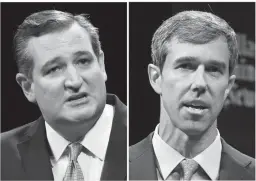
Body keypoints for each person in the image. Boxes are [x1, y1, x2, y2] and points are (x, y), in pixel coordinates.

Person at [1, 10, 127, 180]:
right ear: (28, 87)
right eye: (54, 69)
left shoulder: (144, 135)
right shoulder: (4, 156)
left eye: (83, 61)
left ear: (101, 65)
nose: (74, 81)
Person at [129, 10, 255, 180]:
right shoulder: (117, 169)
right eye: (186, 66)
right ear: (156, 78)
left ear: (228, 87)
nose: (200, 83)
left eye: (213, 69)